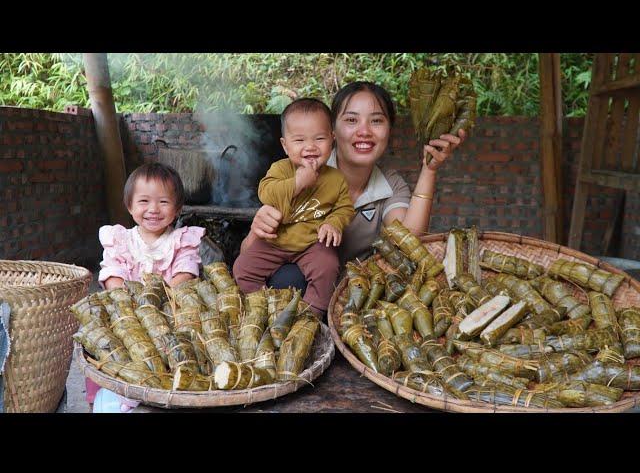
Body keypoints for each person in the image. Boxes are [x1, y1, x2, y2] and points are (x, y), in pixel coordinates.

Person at [240, 81, 466, 292]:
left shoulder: (390, 184)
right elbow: (248, 255)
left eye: (376, 120)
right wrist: (257, 231)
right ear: (333, 132)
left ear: (389, 130)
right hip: (294, 296)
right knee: (289, 276)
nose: (364, 131)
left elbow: (408, 241)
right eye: (351, 120)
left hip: (353, 298)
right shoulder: (296, 175)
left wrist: (430, 169)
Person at [90, 161, 206, 412]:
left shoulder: (181, 240)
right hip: (127, 312)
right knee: (106, 341)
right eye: (144, 201)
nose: (153, 209)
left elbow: (186, 272)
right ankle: (117, 391)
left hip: (168, 311)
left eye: (163, 202)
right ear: (129, 205)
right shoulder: (120, 239)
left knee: (176, 347)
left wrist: (158, 301)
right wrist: (124, 299)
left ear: (177, 208)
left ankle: (162, 385)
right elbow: (112, 273)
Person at [233, 98, 355, 318]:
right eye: (299, 140)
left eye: (319, 138)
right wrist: (298, 183)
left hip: (311, 243)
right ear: (285, 145)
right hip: (275, 241)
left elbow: (344, 207)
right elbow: (266, 193)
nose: (310, 147)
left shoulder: (336, 179)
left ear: (332, 140)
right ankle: (264, 307)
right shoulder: (279, 169)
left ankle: (311, 315)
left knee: (328, 266)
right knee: (242, 269)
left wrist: (333, 223)